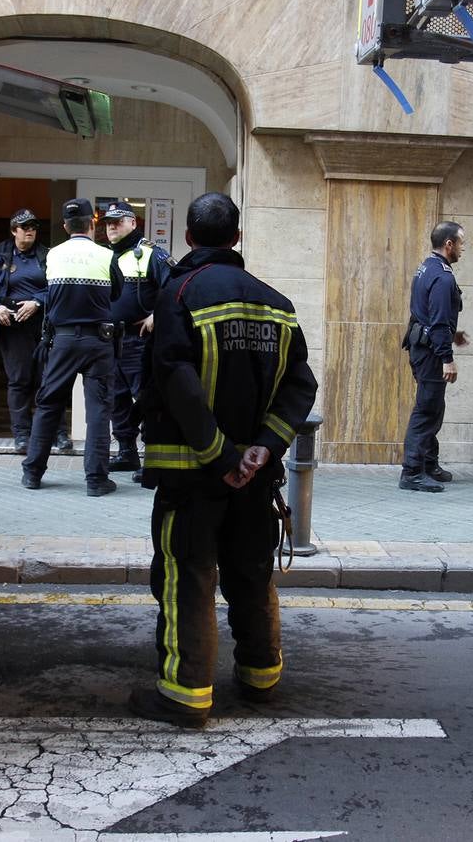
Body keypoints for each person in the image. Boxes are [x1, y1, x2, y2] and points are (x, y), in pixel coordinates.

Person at [128, 192, 318, 728]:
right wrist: (262, 449)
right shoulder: (277, 304)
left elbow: (177, 381)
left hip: (194, 477)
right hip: (257, 479)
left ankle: (186, 695)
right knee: (252, 572)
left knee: (188, 578)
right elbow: (301, 384)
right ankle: (262, 677)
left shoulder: (178, 293)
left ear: (188, 237)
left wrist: (220, 456)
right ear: (236, 239)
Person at [20, 198, 124, 495]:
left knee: (48, 405)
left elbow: (48, 292)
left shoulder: (53, 255)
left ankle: (33, 474)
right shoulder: (106, 256)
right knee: (98, 412)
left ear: (66, 226)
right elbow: (116, 293)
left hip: (63, 341)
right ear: (92, 224)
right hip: (99, 341)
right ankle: (95, 480)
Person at [0, 208, 48, 454]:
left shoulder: (46, 256)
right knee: (20, 380)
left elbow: (59, 288)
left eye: (33, 227)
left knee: (48, 381)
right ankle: (22, 435)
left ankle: (53, 433)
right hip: (12, 328)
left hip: (43, 325)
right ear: (14, 231)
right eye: (25, 227)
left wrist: (37, 301)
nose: (30, 231)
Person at [103, 200, 173, 479]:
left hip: (140, 342)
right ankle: (126, 453)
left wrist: (157, 314)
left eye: (117, 222)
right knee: (116, 398)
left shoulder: (150, 254)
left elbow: (175, 287)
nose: (111, 227)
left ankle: (153, 458)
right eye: (108, 223)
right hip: (110, 341)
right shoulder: (103, 256)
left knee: (147, 399)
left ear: (133, 222)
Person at [398, 221, 469, 493]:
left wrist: (453, 334)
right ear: (449, 244)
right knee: (427, 410)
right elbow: (437, 322)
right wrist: (447, 358)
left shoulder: (426, 267)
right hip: (430, 353)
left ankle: (429, 463)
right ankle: (412, 472)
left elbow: (427, 315)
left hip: (422, 346)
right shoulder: (443, 277)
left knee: (432, 407)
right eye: (461, 243)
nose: (463, 248)